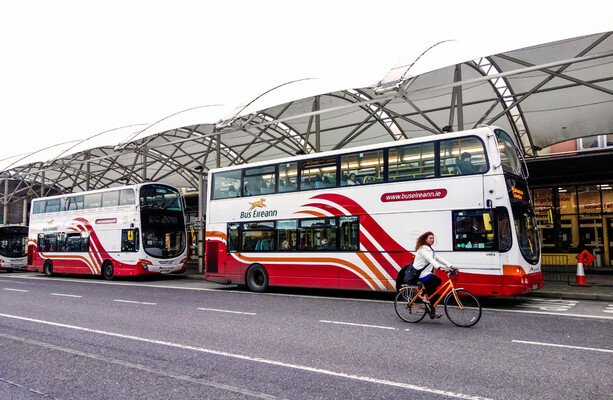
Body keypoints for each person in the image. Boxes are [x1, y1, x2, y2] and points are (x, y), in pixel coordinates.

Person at [413, 231, 458, 319]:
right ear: (425, 239)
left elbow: (439, 259)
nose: (432, 240)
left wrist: (450, 266)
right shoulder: (422, 249)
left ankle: (431, 312)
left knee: (433, 294)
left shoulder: (430, 250)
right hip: (421, 273)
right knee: (438, 280)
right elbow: (430, 260)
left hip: (427, 273)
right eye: (430, 238)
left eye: (433, 238)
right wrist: (439, 268)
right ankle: (421, 293)